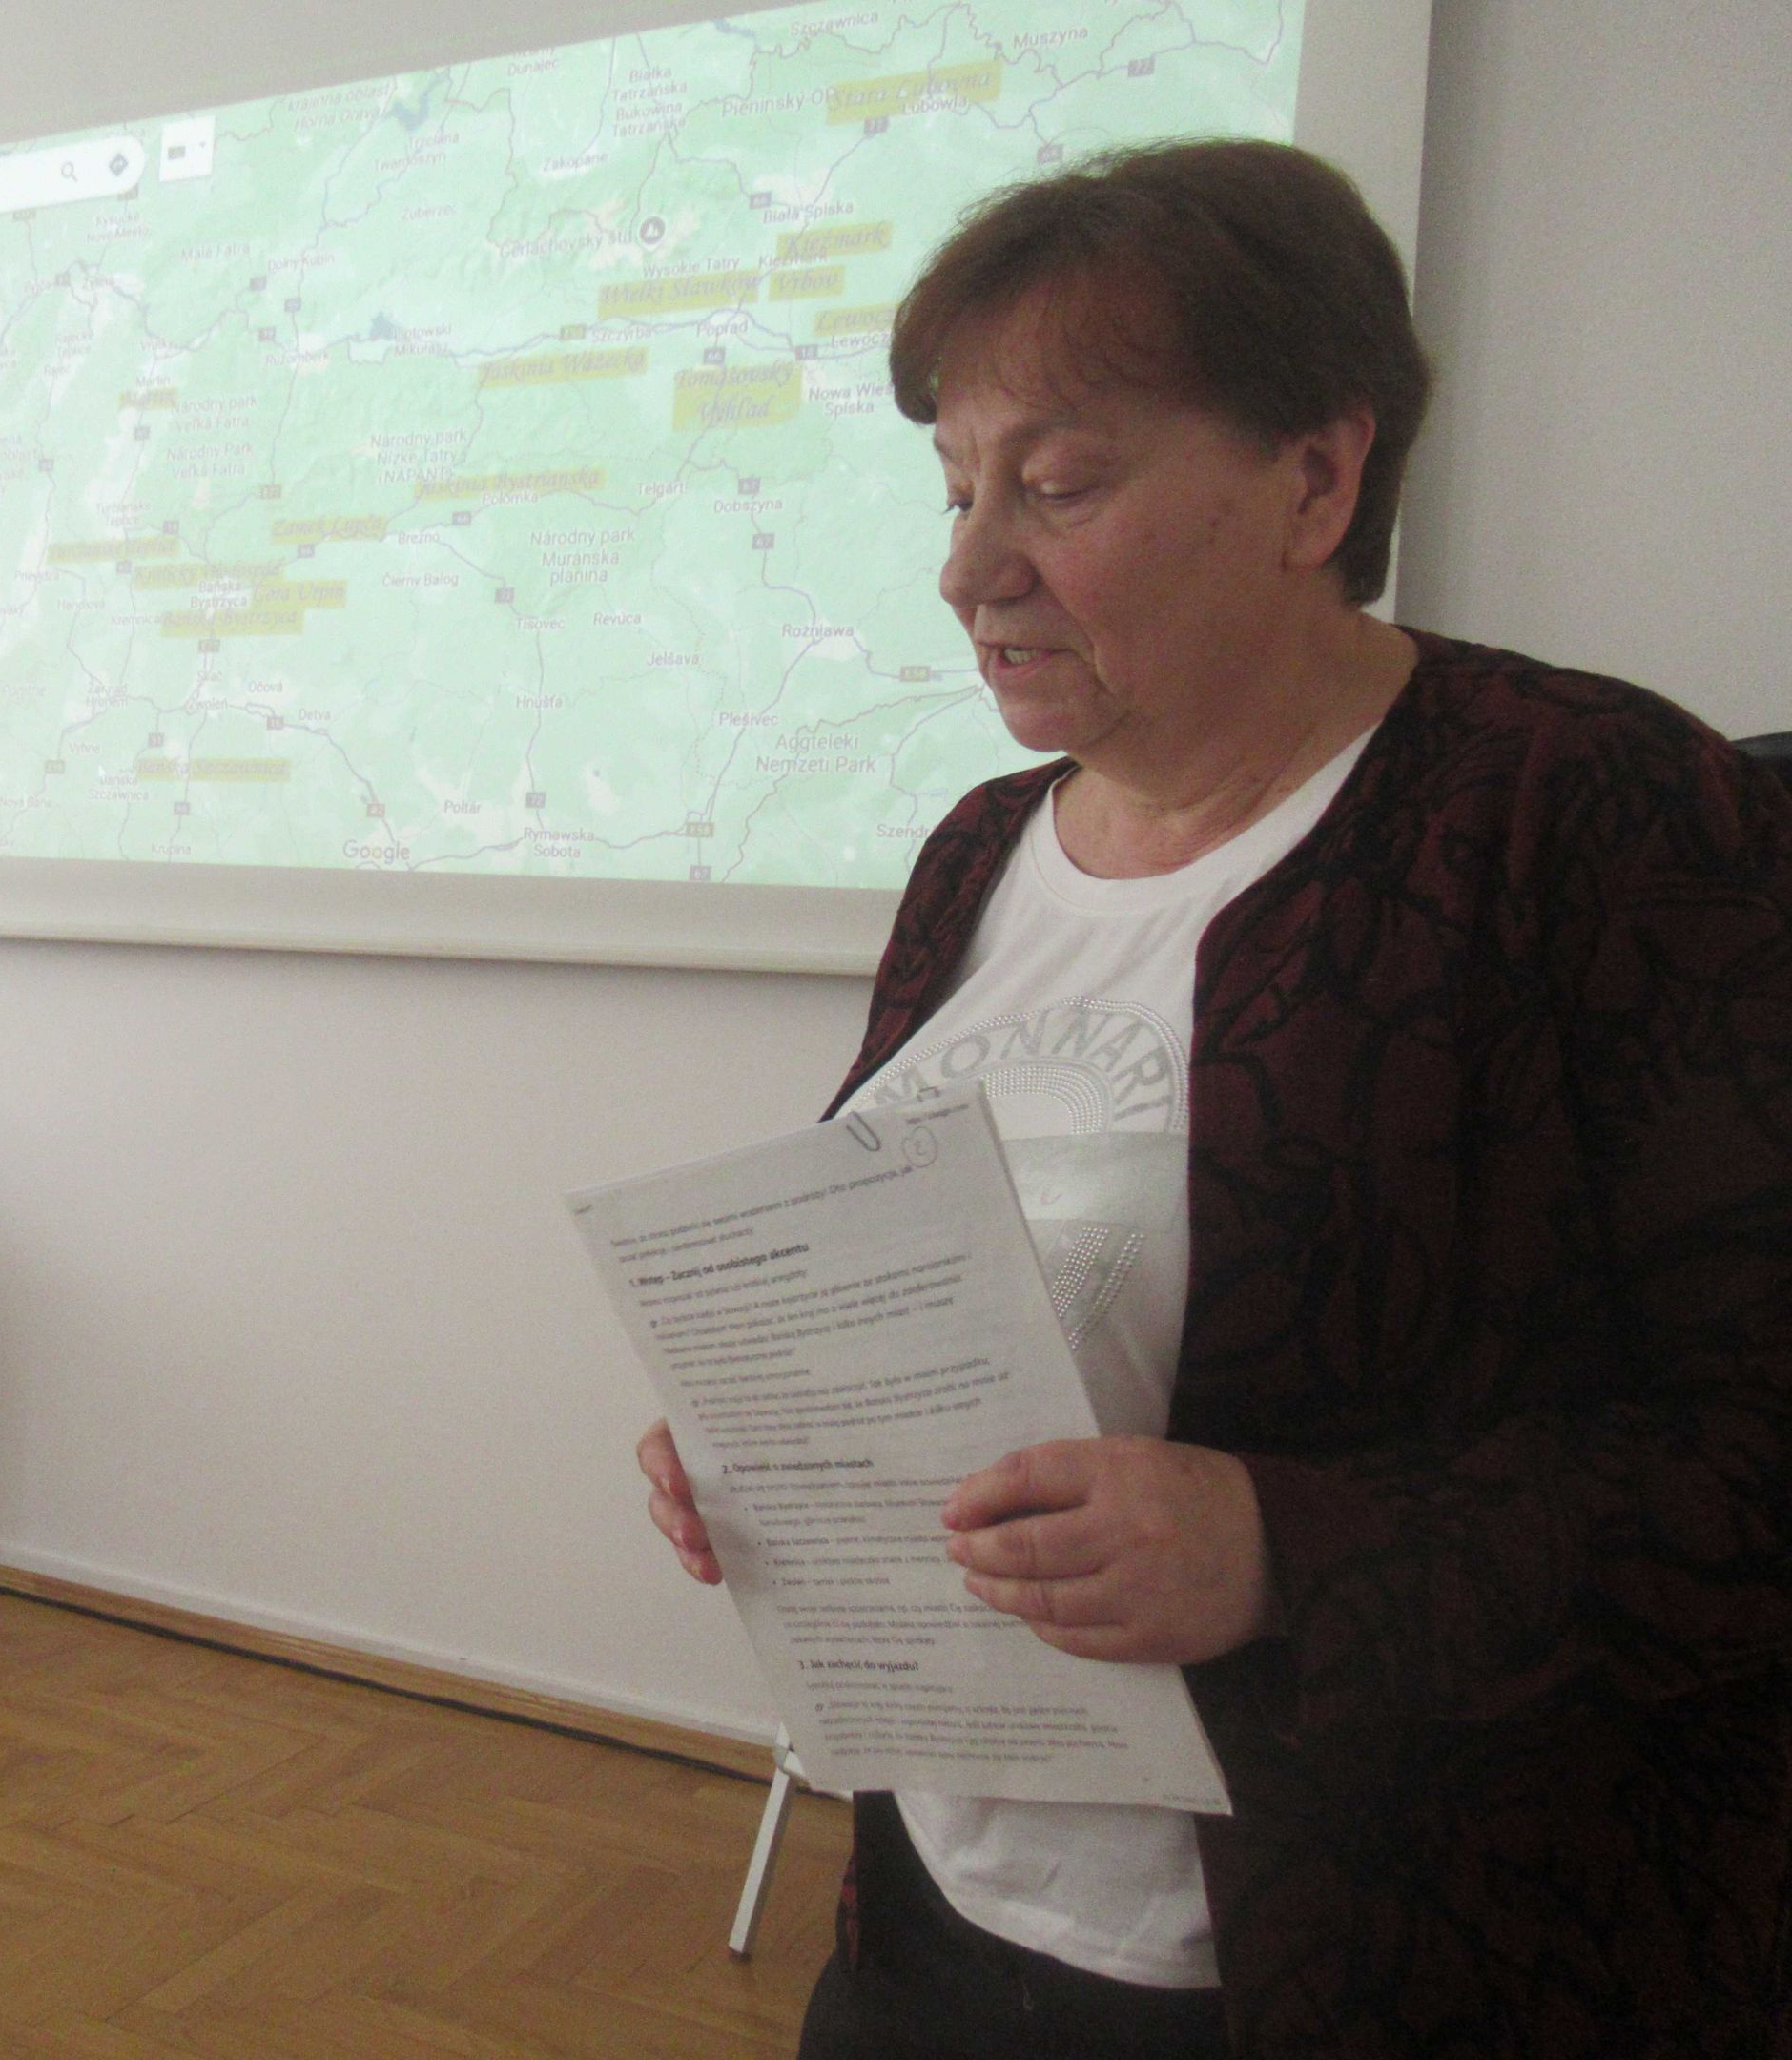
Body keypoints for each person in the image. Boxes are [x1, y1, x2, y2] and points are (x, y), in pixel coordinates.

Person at [637, 138, 1792, 2058]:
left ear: (1317, 482)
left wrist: (1280, 1552)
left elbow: (1754, 1460)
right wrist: (780, 1445)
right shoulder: (977, 849)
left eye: (1059, 485)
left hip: (1381, 1962)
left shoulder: (1589, 814)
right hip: (941, 1916)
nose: (967, 569)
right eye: (956, 489)